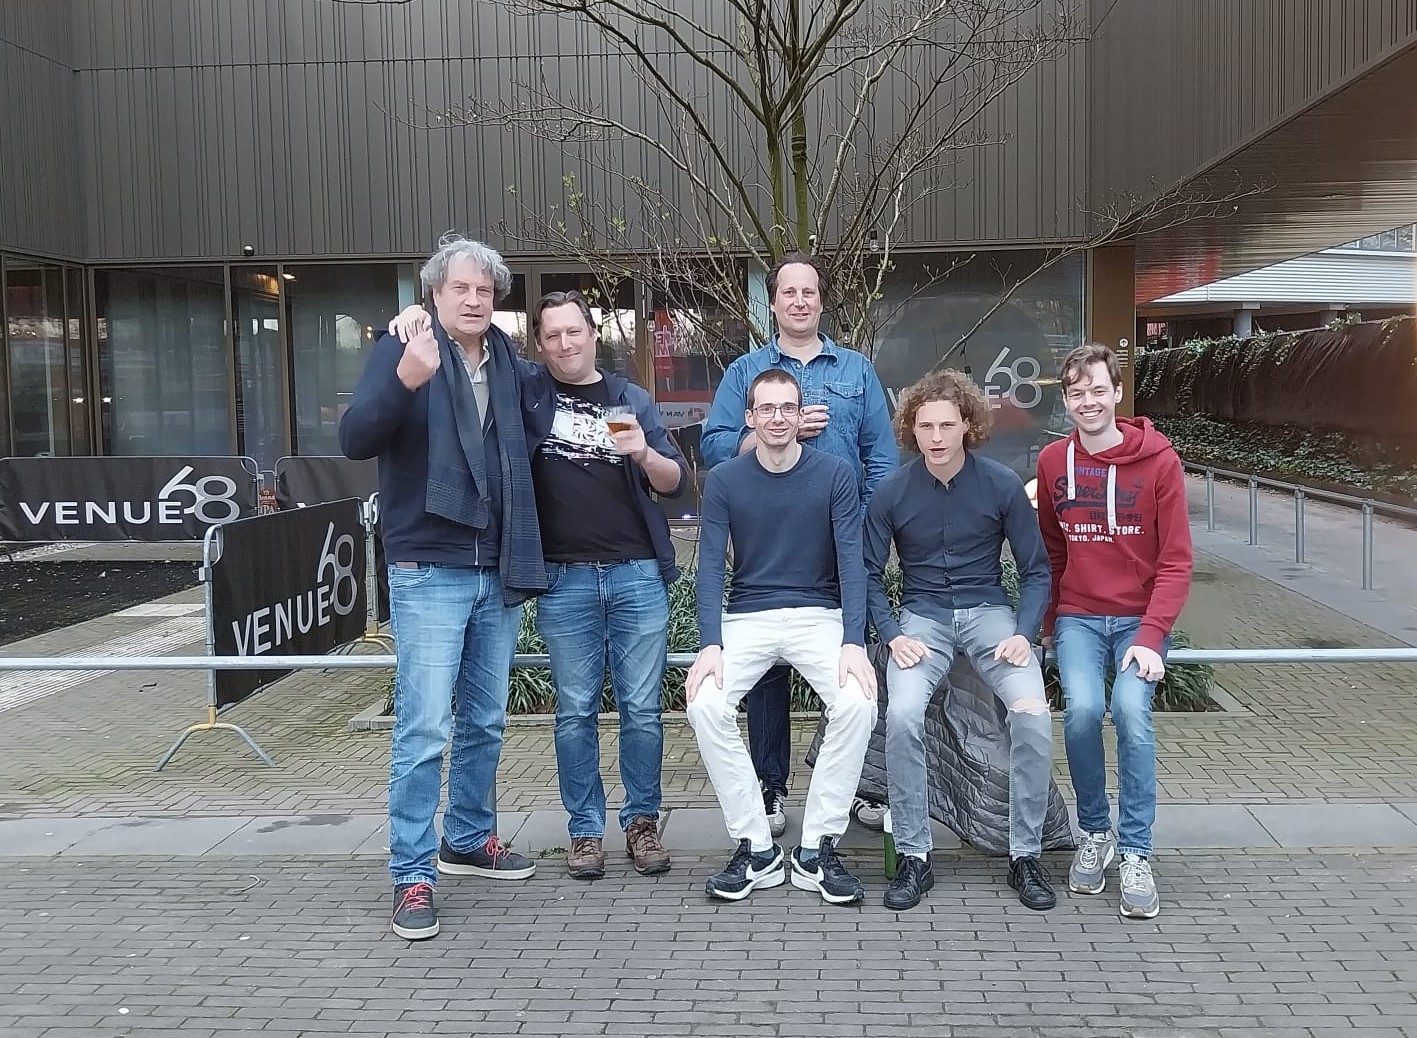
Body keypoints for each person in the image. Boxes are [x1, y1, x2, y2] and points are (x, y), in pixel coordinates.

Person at [389, 290, 689, 881]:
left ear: (593, 333)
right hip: (562, 579)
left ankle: (642, 822)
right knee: (574, 712)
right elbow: (468, 344)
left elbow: (676, 482)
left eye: (573, 332)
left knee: (642, 710)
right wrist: (411, 316)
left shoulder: (631, 398)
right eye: (551, 336)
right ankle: (584, 832)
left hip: (636, 576)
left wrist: (643, 454)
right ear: (539, 345)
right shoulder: (528, 392)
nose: (564, 344)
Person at [340, 235, 546, 941]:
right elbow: (354, 437)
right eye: (460, 288)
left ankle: (467, 838)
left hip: (495, 565)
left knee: (485, 720)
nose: (474, 299)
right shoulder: (399, 350)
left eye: (485, 290)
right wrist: (405, 376)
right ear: (434, 294)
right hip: (428, 566)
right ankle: (412, 874)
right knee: (424, 727)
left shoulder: (510, 364)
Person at [700, 252, 897, 838]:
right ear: (775, 302)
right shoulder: (746, 373)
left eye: (809, 291)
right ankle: (769, 786)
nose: (799, 301)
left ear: (821, 300)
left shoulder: (857, 370)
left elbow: (881, 459)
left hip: (843, 542)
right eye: (788, 292)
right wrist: (770, 430)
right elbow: (713, 447)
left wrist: (867, 535)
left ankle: (862, 786)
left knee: (854, 663)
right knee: (763, 671)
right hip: (769, 544)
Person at [864, 370, 1056, 912]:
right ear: (912, 430)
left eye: (947, 424)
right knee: (901, 716)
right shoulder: (892, 492)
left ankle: (1026, 853)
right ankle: (914, 856)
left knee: (1033, 715)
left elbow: (1037, 570)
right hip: (922, 619)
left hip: (990, 617)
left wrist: (1024, 634)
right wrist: (893, 634)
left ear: (967, 424)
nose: (937, 436)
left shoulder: (999, 484)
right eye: (926, 426)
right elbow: (867, 573)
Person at [685, 369, 878, 904]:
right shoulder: (725, 479)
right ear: (750, 417)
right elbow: (707, 568)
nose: (777, 417)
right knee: (704, 703)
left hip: (820, 615)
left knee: (859, 703)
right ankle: (756, 846)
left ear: (801, 415)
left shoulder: (835, 474)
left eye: (787, 407)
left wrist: (853, 642)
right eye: (766, 408)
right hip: (748, 617)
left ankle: (817, 847)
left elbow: (852, 563)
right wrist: (709, 644)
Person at [1037, 343, 1193, 920]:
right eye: (1076, 392)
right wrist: (1052, 619)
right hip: (1079, 615)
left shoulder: (1160, 461)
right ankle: (1094, 832)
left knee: (1130, 710)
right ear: (1067, 398)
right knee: (1080, 711)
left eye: (1097, 389)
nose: (1087, 401)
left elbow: (1176, 560)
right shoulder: (1054, 461)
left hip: (1138, 620)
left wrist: (1152, 636)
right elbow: (1053, 549)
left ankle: (1135, 851)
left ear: (1118, 392)